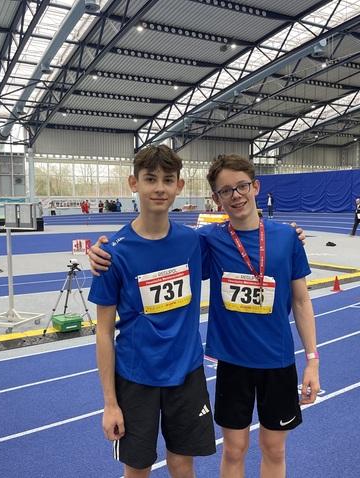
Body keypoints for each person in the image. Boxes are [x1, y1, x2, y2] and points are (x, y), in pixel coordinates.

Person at [89, 155, 319, 478]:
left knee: (199, 462)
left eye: (242, 186)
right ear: (133, 183)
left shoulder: (203, 241)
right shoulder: (127, 251)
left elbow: (299, 295)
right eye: (226, 190)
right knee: (148, 467)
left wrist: (312, 359)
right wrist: (98, 252)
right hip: (157, 374)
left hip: (206, 372)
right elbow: (104, 330)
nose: (236, 195)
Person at [88, 145, 216, 477]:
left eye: (168, 180)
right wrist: (110, 403)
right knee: (137, 469)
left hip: (186, 373)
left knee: (182, 465)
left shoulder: (193, 242)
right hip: (136, 378)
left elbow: (242, 239)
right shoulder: (112, 254)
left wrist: (292, 236)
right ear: (134, 183)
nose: (159, 188)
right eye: (150, 179)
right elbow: (103, 333)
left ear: (179, 186)